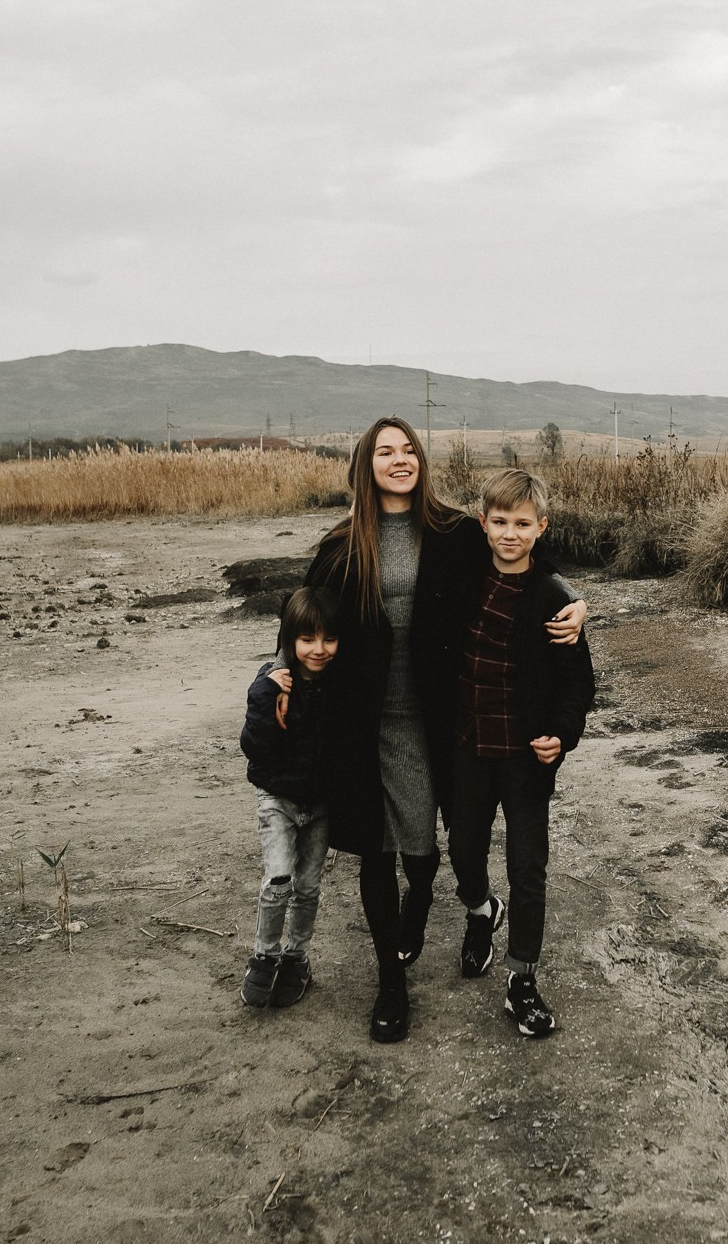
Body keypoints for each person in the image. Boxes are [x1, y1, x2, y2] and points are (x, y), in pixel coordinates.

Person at [303, 417, 586, 1043]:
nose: (399, 459)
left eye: (408, 449)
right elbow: (304, 621)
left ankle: (440, 906)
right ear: (365, 463)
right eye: (385, 451)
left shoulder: (453, 530)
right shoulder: (342, 544)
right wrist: (280, 675)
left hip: (435, 719)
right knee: (376, 847)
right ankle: (390, 980)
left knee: (431, 845)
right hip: (363, 718)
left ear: (421, 461)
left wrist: (573, 597)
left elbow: (520, 549)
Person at [444, 468, 595, 1037]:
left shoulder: (554, 600)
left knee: (528, 867)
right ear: (483, 524)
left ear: (541, 528)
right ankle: (482, 912)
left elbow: (578, 684)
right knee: (463, 850)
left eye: (523, 524)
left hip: (525, 757)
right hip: (468, 748)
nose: (510, 533)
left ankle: (522, 979)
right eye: (501, 521)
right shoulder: (464, 580)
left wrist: (563, 732)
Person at [238, 587, 341, 1008]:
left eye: (329, 639)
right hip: (278, 799)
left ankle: (297, 958)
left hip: (319, 805)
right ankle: (264, 956)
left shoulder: (339, 685)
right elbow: (253, 746)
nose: (318, 649)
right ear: (289, 640)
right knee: (278, 878)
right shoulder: (270, 681)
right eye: (307, 639)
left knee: (309, 887)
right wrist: (265, 695)